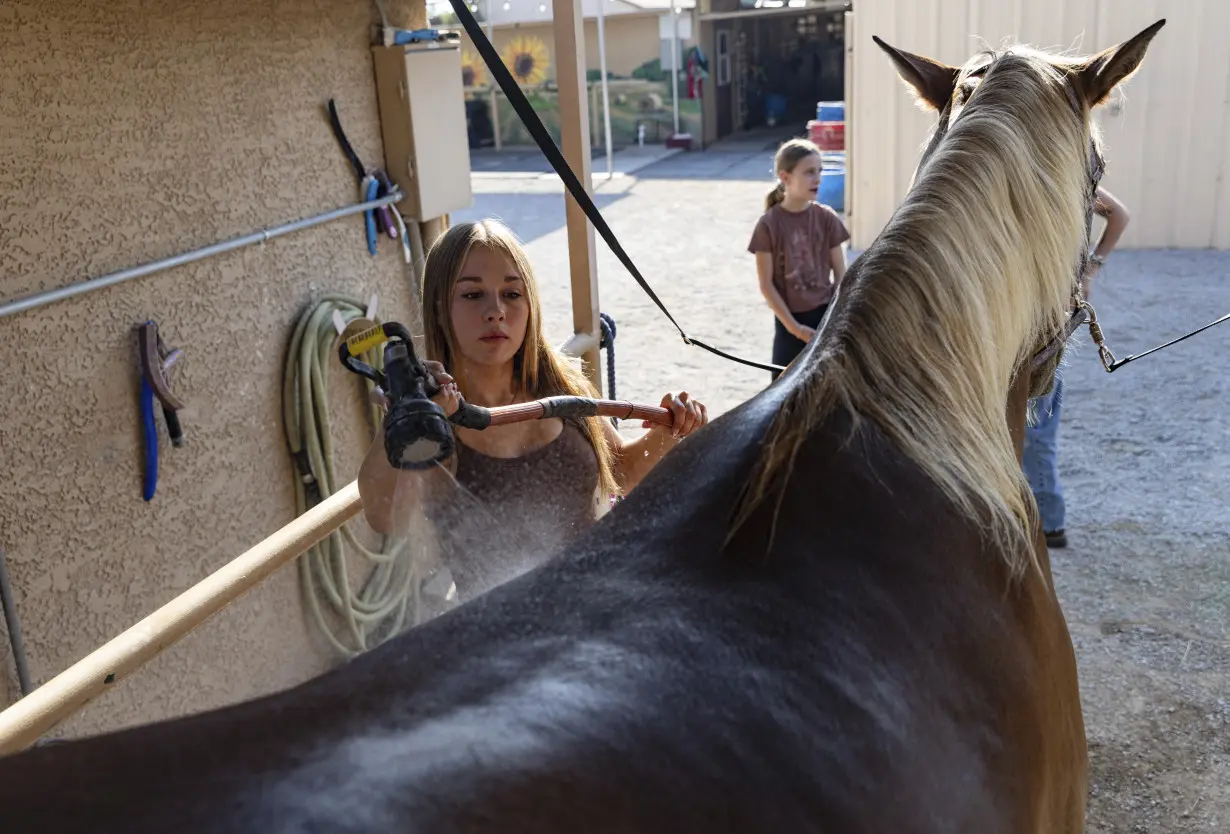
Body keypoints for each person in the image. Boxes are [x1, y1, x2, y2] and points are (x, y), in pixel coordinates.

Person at [358, 219, 708, 600]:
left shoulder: (562, 384)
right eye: (473, 296)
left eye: (511, 293)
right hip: (500, 637)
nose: (495, 311)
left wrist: (671, 430)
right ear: (440, 308)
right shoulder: (429, 415)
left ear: (531, 304)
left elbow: (621, 470)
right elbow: (384, 517)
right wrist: (401, 423)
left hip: (599, 604)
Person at [1023, 186, 1130, 548]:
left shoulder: (1073, 178)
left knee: (1037, 433)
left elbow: (1118, 214)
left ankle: (1051, 524)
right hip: (1025, 321)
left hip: (1045, 325)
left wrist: (1091, 268)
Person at [748, 137, 850, 381]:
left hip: (825, 321)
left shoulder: (827, 219)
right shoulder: (768, 225)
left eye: (819, 171)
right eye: (809, 172)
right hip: (789, 326)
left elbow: (841, 276)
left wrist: (834, 320)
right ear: (785, 177)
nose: (817, 178)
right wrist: (796, 329)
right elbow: (766, 285)